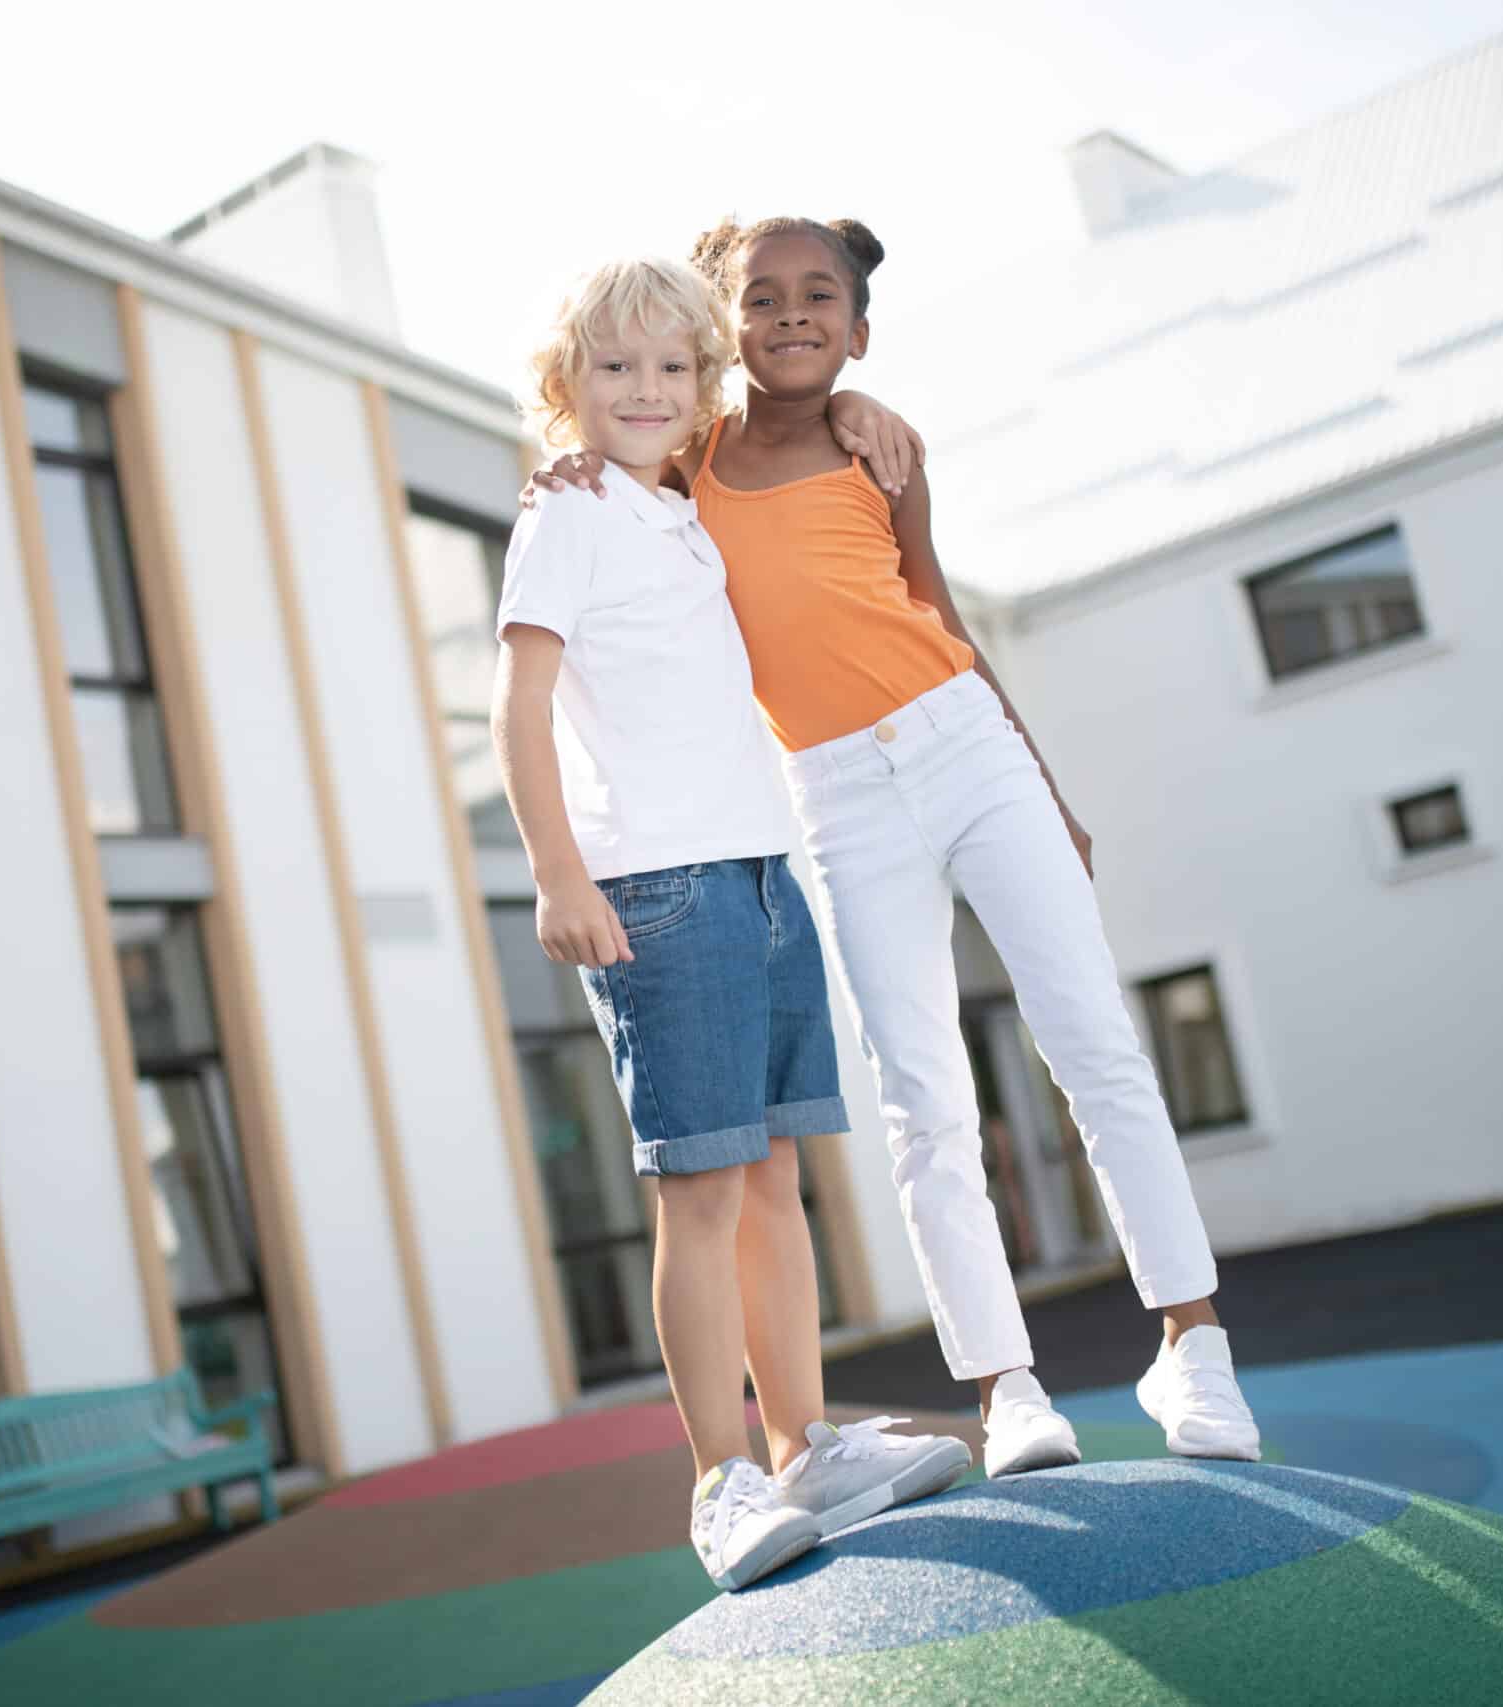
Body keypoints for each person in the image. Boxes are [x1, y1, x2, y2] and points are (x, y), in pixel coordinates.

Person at [538, 216, 1262, 1476]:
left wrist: (1044, 786)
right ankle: (1006, 1392)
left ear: (858, 330)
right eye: (762, 298)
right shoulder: (686, 464)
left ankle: (1191, 1346)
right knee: (921, 1098)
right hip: (834, 795)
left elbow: (944, 618)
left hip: (965, 743)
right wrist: (559, 466)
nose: (792, 315)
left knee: (1094, 1042)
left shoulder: (881, 450)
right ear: (726, 331)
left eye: (820, 298)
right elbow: (611, 438)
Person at [492, 254, 967, 1592]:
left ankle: (803, 1442)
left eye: (670, 367)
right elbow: (517, 706)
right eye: (614, 367)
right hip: (655, 888)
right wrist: (558, 875)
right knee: (697, 1190)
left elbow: (784, 416)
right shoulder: (567, 515)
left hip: (761, 875)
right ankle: (720, 1479)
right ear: (567, 385)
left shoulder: (685, 507)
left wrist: (857, 403)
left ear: (703, 383)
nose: (644, 389)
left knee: (772, 1179)